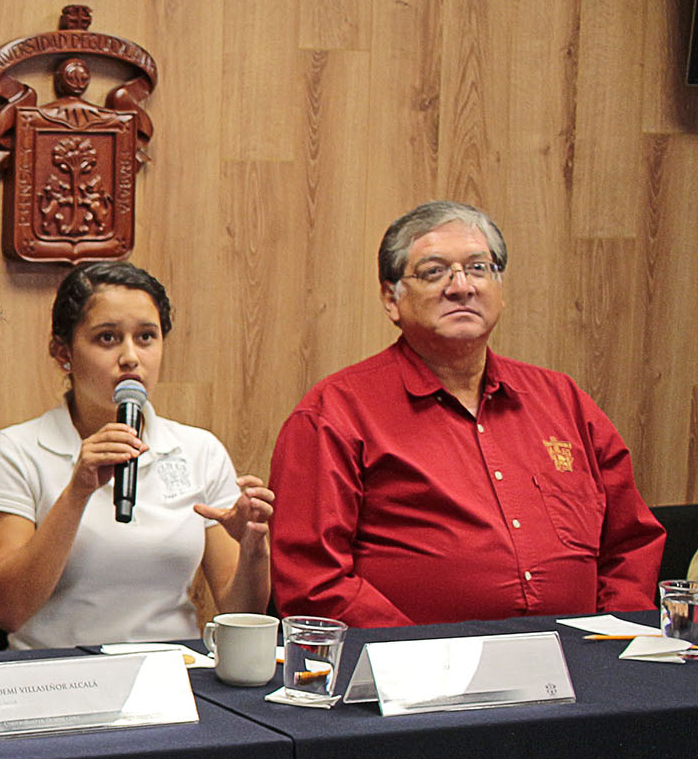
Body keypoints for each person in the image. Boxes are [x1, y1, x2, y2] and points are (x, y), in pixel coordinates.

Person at [269, 201, 664, 625]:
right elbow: (314, 582)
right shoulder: (335, 413)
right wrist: (427, 657)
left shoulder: (563, 401)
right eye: (434, 271)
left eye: (479, 268)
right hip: (414, 675)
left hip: (581, 671)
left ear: (500, 287)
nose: (462, 287)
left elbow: (631, 543)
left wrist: (612, 641)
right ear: (391, 298)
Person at [0, 262, 274, 648]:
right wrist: (77, 492)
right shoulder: (17, 451)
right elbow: (8, 611)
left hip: (170, 676)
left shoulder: (200, 451)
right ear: (63, 352)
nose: (131, 357)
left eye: (146, 337)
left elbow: (240, 610)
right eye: (108, 338)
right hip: (54, 678)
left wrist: (252, 547)